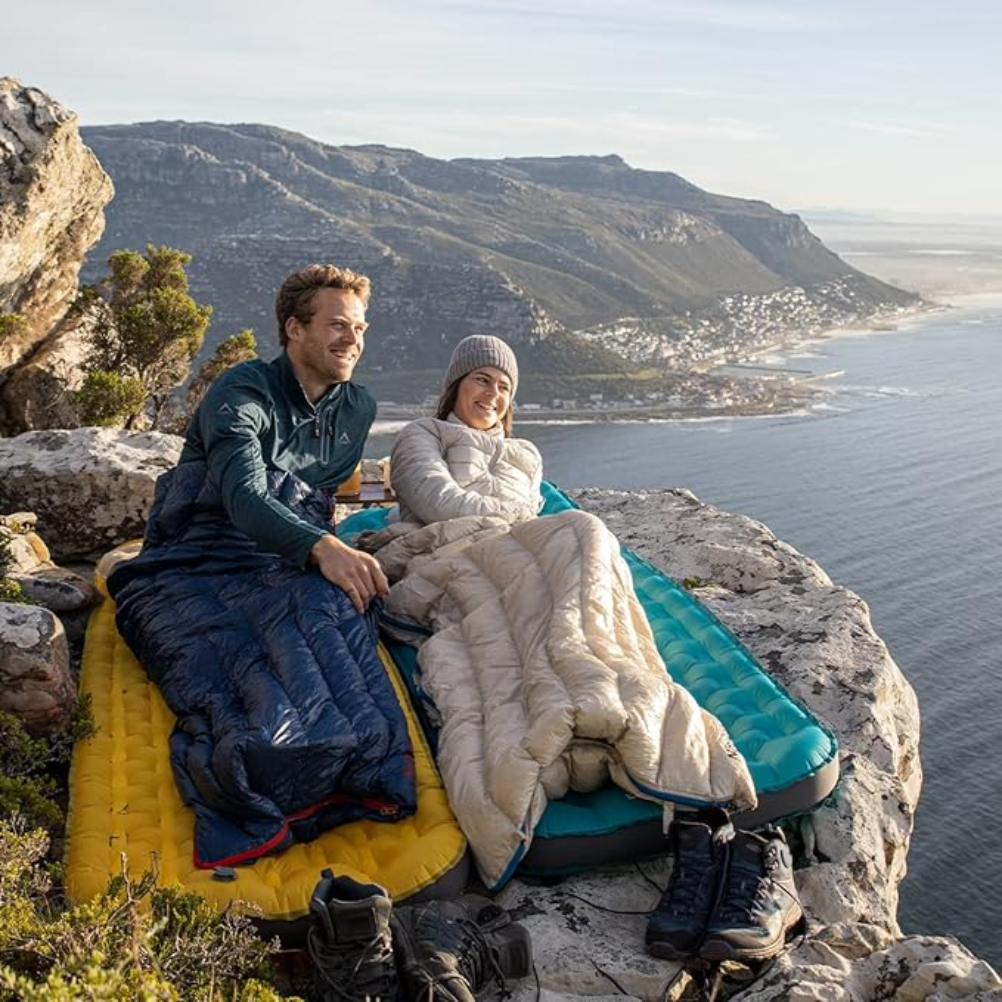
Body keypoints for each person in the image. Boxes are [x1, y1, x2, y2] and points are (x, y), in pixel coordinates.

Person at [180, 263, 388, 611]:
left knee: (346, 613)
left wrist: (326, 546)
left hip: (299, 559)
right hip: (210, 549)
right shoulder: (243, 392)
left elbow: (320, 501)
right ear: (295, 328)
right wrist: (322, 546)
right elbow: (243, 493)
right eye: (338, 325)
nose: (353, 341)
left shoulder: (357, 408)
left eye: (359, 328)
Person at [388, 334, 544, 526]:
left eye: (504, 387)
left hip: (519, 540)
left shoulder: (527, 454)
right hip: (445, 541)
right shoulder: (424, 434)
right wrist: (518, 514)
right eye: (482, 380)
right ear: (456, 385)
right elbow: (438, 503)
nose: (493, 393)